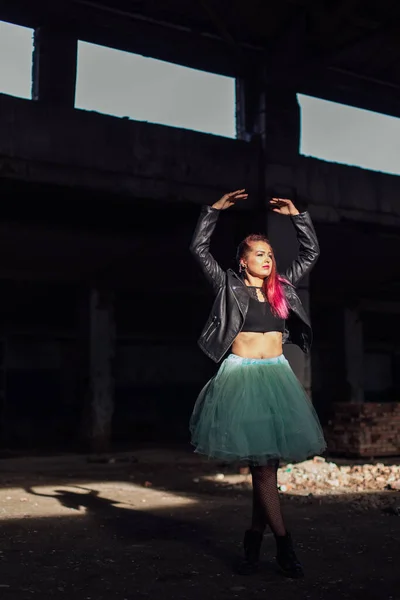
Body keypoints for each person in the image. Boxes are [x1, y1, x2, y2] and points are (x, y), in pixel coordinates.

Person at [189, 189, 326, 579]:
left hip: (278, 377)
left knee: (266, 468)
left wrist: (297, 214)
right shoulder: (227, 286)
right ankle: (284, 544)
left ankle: (252, 539)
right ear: (243, 260)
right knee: (264, 470)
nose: (267, 259)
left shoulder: (281, 287)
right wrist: (212, 210)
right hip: (242, 380)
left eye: (269, 254)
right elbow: (198, 250)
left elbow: (311, 253)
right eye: (259, 254)